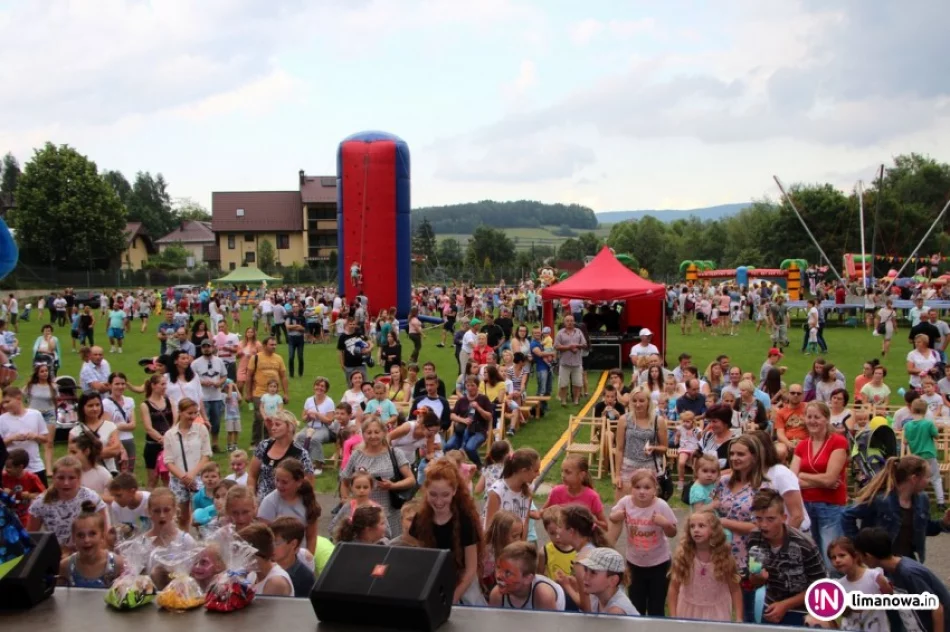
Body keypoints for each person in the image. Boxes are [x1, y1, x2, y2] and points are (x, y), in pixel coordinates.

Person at [842, 455, 950, 562]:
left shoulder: (922, 499)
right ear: (914, 479)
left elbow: (924, 528)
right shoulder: (881, 499)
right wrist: (859, 545)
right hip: (880, 563)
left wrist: (943, 523)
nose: (929, 481)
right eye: (927, 477)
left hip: (907, 563)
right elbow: (847, 515)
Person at [409, 458, 485, 605]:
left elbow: (470, 569)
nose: (438, 501)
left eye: (445, 495)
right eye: (433, 494)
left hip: (462, 585)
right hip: (431, 581)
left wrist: (453, 597)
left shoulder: (465, 519)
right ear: (425, 491)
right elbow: (418, 557)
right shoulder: (420, 518)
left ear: (454, 491)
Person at [746, 489, 826, 626]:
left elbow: (821, 588)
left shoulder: (804, 545)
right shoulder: (755, 538)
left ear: (784, 518)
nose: (763, 525)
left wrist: (785, 605)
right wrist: (756, 578)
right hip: (771, 607)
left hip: (803, 613)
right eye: (758, 519)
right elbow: (754, 579)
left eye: (770, 519)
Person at [608, 468, 677, 616]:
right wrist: (617, 516)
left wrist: (665, 524)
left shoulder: (661, 505)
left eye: (647, 487)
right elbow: (612, 517)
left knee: (656, 606)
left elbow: (673, 533)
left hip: (659, 563)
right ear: (631, 488)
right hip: (634, 563)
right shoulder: (626, 502)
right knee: (635, 605)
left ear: (655, 489)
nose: (642, 491)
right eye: (637, 487)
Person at [855, 527, 950, 632]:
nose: (860, 560)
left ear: (868, 556)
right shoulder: (892, 570)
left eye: (859, 555)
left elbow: (937, 608)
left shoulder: (908, 573)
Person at [790, 401, 849, 569]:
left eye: (817, 417)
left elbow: (831, 479)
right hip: (806, 506)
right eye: (809, 417)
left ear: (826, 419)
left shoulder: (838, 442)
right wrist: (818, 480)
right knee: (811, 557)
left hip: (830, 505)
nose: (812, 421)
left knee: (833, 558)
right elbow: (792, 479)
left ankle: (838, 591)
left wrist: (803, 476)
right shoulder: (802, 445)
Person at [340, 417, 415, 537]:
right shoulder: (356, 455)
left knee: (388, 546)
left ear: (384, 433)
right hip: (361, 514)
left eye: (376, 432)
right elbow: (344, 480)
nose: (373, 436)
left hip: (389, 513)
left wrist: (393, 485)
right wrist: (345, 499)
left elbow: (411, 480)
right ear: (363, 434)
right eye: (369, 432)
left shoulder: (395, 453)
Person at [667, 509, 741, 621]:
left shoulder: (724, 557)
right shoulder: (684, 555)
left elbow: (735, 590)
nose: (696, 530)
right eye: (692, 526)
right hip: (687, 611)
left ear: (714, 530)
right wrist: (673, 616)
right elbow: (674, 588)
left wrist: (739, 618)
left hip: (716, 612)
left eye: (701, 526)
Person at [28, 456, 108, 550]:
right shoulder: (41, 503)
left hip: (88, 551)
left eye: (71, 478)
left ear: (79, 478)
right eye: (61, 478)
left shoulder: (91, 498)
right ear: (53, 478)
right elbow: (31, 536)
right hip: (57, 554)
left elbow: (104, 532)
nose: (66, 483)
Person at [824, 536, 893, 632]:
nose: (837, 560)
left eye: (842, 555)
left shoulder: (874, 576)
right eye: (833, 557)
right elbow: (837, 616)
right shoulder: (839, 585)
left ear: (855, 556)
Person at [163, 398, 211, 529]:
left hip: (197, 477)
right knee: (181, 515)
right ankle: (184, 541)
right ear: (180, 412)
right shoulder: (170, 434)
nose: (193, 416)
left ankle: (202, 540)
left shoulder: (201, 430)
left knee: (200, 514)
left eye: (196, 413)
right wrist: (183, 477)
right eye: (189, 413)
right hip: (178, 479)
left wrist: (192, 475)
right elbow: (168, 461)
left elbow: (206, 454)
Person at [248, 410, 315, 500]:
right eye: (272, 424)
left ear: (289, 427)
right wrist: (251, 496)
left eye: (277, 424)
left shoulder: (300, 454)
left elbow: (309, 485)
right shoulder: (264, 446)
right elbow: (252, 475)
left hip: (287, 504)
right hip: (261, 503)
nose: (273, 428)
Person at [256, 458, 320, 553]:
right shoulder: (269, 502)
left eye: (284, 482)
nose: (279, 485)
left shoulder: (308, 501)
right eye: (277, 480)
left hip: (299, 557)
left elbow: (311, 537)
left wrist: (309, 559)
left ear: (298, 482)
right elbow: (263, 537)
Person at [614, 389, 667, 501]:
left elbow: (664, 448)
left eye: (642, 401)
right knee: (622, 505)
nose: (638, 404)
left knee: (648, 505)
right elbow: (619, 449)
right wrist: (617, 474)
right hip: (628, 466)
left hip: (649, 467)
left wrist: (654, 448)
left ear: (648, 401)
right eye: (634, 401)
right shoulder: (624, 420)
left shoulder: (658, 421)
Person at [58, 501, 125, 587]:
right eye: (80, 535)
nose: (86, 540)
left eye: (92, 534)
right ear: (74, 539)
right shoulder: (65, 566)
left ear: (102, 536)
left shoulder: (117, 564)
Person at [488, 541, 566, 611]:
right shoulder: (496, 595)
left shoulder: (543, 595)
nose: (498, 576)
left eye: (508, 573)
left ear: (528, 579)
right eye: (498, 568)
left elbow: (550, 626)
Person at [0, 386, 50, 486]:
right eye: (3, 403)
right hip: (13, 469)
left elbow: (46, 439)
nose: (5, 406)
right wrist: (12, 438)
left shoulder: (35, 415)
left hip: (35, 467)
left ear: (18, 398)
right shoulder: (2, 419)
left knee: (42, 497)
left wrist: (35, 436)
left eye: (8, 401)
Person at [900, 399, 945, 509]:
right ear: (925, 411)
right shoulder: (928, 423)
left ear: (912, 409)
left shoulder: (907, 425)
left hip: (916, 456)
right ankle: (940, 502)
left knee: (918, 478)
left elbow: (905, 441)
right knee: (936, 478)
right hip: (929, 454)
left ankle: (918, 500)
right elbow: (936, 436)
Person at [542, 454, 606, 530]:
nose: (563, 475)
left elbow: (605, 526)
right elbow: (542, 514)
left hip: (583, 540)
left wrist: (592, 520)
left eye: (568, 472)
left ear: (582, 475)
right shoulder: (556, 492)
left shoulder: (592, 496)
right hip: (560, 540)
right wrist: (554, 512)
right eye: (562, 471)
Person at [245, 336, 289, 447]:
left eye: (275, 345)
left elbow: (283, 376)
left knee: (274, 418)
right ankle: (256, 442)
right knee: (259, 418)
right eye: (271, 345)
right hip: (259, 393)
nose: (274, 347)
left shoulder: (278, 358)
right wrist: (248, 393)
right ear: (264, 346)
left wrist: (286, 393)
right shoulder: (255, 358)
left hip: (274, 394)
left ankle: (270, 441)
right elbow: (249, 376)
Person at [445, 376, 492, 468]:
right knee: (448, 446)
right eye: (468, 385)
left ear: (477, 386)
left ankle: (479, 466)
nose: (470, 388)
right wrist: (463, 420)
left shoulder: (483, 399)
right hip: (461, 431)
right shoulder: (462, 400)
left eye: (473, 385)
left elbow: (489, 417)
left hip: (478, 431)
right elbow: (452, 415)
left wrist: (478, 408)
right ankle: (455, 466)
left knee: (470, 448)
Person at [240, 523, 294, 596]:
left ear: (257, 554)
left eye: (245, 553)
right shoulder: (252, 575)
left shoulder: (275, 582)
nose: (240, 558)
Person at [271, 516, 317, 598]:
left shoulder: (305, 578)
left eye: (276, 543)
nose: (271, 547)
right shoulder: (264, 566)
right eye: (269, 542)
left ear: (293, 544)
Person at [2, 448, 45, 526]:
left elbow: (44, 495)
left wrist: (29, 495)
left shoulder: (32, 478)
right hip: (6, 517)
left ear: (20, 467)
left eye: (9, 467)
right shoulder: (3, 476)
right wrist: (2, 491)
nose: (6, 469)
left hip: (24, 518)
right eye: (5, 466)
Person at [554, 315, 586, 406]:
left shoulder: (579, 332)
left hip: (577, 363)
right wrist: (568, 347)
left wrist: (576, 346)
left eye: (571, 321)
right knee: (563, 384)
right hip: (564, 363)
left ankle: (576, 400)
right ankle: (563, 400)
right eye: (567, 321)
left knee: (578, 383)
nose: (570, 322)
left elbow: (584, 344)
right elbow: (556, 346)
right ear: (564, 322)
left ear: (574, 322)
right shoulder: (560, 333)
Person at [337, 317, 372, 384]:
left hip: (360, 364)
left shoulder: (359, 334)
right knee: (351, 385)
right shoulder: (342, 337)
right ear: (347, 325)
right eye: (350, 324)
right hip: (349, 365)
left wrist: (368, 349)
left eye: (353, 324)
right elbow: (340, 352)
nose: (352, 326)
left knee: (364, 384)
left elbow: (370, 342)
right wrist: (342, 364)